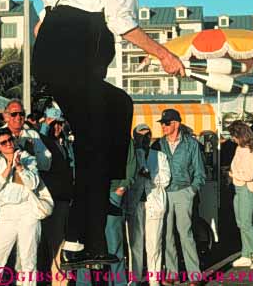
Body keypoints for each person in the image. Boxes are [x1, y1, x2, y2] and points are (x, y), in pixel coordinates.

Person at [32, 0, 185, 268]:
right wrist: (164, 55)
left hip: (51, 62)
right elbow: (121, 22)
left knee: (117, 105)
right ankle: (87, 234)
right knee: (95, 148)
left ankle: (82, 228)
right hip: (73, 64)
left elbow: (41, 29)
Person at [153, 109, 206, 286]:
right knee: (166, 235)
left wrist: (191, 191)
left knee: (186, 234)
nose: (163, 126)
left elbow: (200, 173)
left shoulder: (191, 144)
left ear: (176, 123)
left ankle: (195, 275)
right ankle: (172, 273)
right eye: (162, 123)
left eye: (166, 123)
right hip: (164, 193)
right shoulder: (158, 145)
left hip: (184, 192)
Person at [76, 139, 136, 286]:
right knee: (86, 241)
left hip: (112, 193)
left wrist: (122, 188)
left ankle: (119, 282)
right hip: (89, 193)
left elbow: (131, 164)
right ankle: (83, 283)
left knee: (114, 241)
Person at [0, 128, 41, 286]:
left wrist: (19, 167)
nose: (8, 144)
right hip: (6, 213)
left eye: (10, 140)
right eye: (3, 143)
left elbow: (33, 184)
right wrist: (8, 168)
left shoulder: (28, 159)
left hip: (27, 211)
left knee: (28, 259)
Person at [125, 124, 170, 286]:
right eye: (140, 136)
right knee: (135, 244)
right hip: (135, 204)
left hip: (154, 203)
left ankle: (154, 279)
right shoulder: (130, 156)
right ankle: (135, 278)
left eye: (147, 135)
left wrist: (149, 175)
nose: (144, 139)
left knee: (154, 244)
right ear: (135, 138)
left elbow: (165, 180)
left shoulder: (160, 156)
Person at [37, 108, 74, 281]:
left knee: (59, 242)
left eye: (60, 124)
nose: (58, 127)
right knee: (50, 242)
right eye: (54, 124)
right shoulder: (44, 143)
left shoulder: (63, 143)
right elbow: (41, 138)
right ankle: (54, 278)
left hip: (63, 198)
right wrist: (46, 125)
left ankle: (58, 279)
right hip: (51, 199)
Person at [228, 120, 253, 269]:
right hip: (240, 188)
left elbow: (248, 175)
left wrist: (233, 174)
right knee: (241, 223)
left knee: (246, 224)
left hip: (247, 190)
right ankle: (246, 254)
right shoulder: (240, 149)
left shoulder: (249, 151)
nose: (232, 139)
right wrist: (234, 174)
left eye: (233, 136)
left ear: (239, 135)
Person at [2, 99, 51, 172]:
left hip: (31, 180)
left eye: (21, 114)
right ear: (6, 116)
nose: (18, 117)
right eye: (14, 114)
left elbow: (46, 165)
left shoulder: (33, 135)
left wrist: (32, 153)